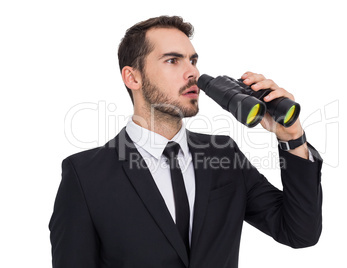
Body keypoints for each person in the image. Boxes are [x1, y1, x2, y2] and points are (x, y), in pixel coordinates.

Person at [49, 16, 323, 268]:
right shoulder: (85, 175)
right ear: (132, 77)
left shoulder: (224, 154)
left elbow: (299, 232)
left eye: (193, 60)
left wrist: (291, 138)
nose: (192, 72)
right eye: (173, 60)